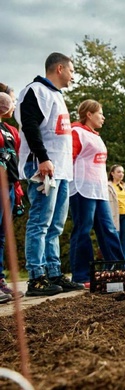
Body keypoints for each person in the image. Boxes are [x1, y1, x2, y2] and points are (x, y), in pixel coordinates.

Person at [14, 52, 83, 296]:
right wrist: (43, 158)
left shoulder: (58, 96)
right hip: (43, 167)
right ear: (60, 68)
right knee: (40, 222)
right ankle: (36, 276)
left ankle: (54, 271)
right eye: (72, 71)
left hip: (61, 170)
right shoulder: (36, 91)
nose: (74, 76)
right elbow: (30, 125)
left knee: (56, 225)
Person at [69, 100, 125, 284]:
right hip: (81, 189)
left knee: (108, 229)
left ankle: (118, 270)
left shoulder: (96, 136)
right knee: (83, 230)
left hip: (99, 190)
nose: (103, 117)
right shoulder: (76, 131)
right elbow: (68, 159)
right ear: (89, 114)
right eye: (100, 113)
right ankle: (81, 275)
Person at [0, 86, 24, 302]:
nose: (13, 104)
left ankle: (0, 280)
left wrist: (17, 190)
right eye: (12, 100)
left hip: (8, 186)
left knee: (1, 235)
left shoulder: (9, 129)